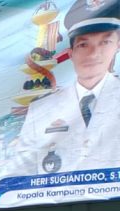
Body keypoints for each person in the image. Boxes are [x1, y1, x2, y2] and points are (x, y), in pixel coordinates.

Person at [12, 0, 120, 176]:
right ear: (71, 54)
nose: (93, 54)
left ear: (117, 47)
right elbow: (15, 178)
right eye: (83, 45)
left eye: (104, 42)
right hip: (54, 203)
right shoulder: (40, 111)